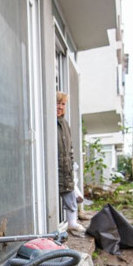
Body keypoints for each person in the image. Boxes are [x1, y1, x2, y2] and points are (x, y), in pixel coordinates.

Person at [57, 91, 85, 236]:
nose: (60, 107)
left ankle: (72, 224)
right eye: (57, 103)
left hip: (66, 167)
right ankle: (59, 227)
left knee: (70, 193)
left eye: (63, 104)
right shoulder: (49, 123)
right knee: (55, 197)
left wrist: (71, 164)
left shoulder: (64, 124)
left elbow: (70, 147)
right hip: (55, 169)